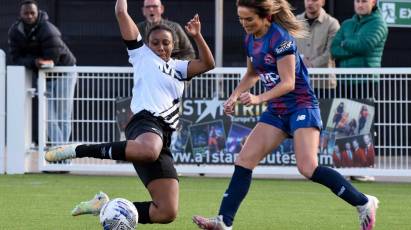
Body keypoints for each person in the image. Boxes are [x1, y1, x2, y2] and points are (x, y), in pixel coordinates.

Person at [192, 1, 379, 230]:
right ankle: (224, 221)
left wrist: (258, 98)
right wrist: (234, 96)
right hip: (277, 110)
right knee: (244, 160)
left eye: (249, 19)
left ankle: (364, 202)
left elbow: (289, 83)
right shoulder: (250, 38)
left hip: (301, 106)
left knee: (307, 168)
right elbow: (252, 73)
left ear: (266, 17)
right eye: (241, 18)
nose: (244, 24)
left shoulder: (281, 39)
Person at [45, 0, 214, 226]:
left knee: (166, 212)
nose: (161, 47)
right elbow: (120, 11)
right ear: (147, 43)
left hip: (162, 137)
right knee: (148, 149)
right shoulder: (141, 54)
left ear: (173, 46)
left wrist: (197, 35)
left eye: (166, 43)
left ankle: (102, 205)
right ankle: (78, 149)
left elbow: (208, 63)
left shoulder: (179, 68)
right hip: (144, 122)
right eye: (155, 42)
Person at [8, 0, 77, 145]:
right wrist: (34, 62)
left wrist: (39, 62)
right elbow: (15, 58)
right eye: (26, 13)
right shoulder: (15, 31)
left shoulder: (48, 29)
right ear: (20, 14)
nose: (29, 16)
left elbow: (53, 57)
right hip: (43, 76)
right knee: (48, 117)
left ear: (37, 13)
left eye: (32, 13)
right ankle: (61, 155)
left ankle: (61, 157)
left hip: (64, 73)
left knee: (63, 116)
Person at [331, 0, 388, 99]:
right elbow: (334, 49)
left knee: (363, 114)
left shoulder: (379, 24)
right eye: (357, 1)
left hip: (365, 81)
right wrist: (355, 48)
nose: (360, 5)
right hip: (343, 81)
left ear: (373, 2)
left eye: (364, 1)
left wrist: (344, 43)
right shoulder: (346, 24)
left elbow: (364, 46)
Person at [296, 0, 340, 98]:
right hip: (299, 83)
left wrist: (312, 64)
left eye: (314, 0)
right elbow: (289, 47)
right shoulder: (295, 22)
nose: (310, 3)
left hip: (324, 84)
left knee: (323, 113)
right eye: (307, 0)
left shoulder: (332, 23)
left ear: (323, 2)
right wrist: (299, 61)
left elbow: (332, 51)